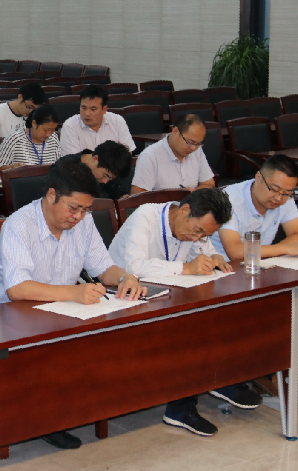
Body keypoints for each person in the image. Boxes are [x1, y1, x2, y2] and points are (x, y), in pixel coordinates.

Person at [0, 157, 145, 449]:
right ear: (51, 195)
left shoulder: (83, 223)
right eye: (73, 208)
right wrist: (73, 293)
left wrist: (125, 277)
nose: (79, 217)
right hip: (8, 317)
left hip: (61, 312)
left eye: (86, 209)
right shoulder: (19, 224)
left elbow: (103, 268)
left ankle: (77, 409)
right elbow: (17, 289)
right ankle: (49, 418)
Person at [108, 187, 257, 436]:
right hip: (124, 298)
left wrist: (215, 257)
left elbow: (205, 252)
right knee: (189, 328)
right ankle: (182, 407)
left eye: (205, 235)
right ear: (185, 210)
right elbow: (134, 266)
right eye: (198, 231)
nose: (197, 238)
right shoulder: (146, 216)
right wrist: (186, 268)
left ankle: (219, 379)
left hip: (166, 296)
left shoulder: (194, 228)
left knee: (220, 314)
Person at [213, 155, 298, 263]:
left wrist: (269, 252)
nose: (278, 198)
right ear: (258, 177)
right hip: (222, 266)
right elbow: (236, 252)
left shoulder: (286, 198)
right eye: (274, 189)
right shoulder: (229, 199)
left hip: (260, 264)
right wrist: (285, 249)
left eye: (287, 193)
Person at [130, 114, 215, 194]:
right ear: (175, 131)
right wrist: (176, 196)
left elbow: (209, 184)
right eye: (189, 142)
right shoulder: (150, 156)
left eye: (198, 143)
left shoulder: (197, 150)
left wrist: (192, 194)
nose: (193, 148)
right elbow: (137, 197)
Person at [59, 85, 137, 155]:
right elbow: (72, 161)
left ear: (104, 109)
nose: (87, 114)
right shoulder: (70, 126)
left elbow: (127, 153)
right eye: (83, 108)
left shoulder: (117, 121)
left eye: (93, 109)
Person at [0, 104, 61, 169]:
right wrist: (13, 167)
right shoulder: (14, 139)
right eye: (46, 130)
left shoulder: (53, 138)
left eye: (53, 130)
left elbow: (60, 165)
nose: (49, 134)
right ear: (34, 124)